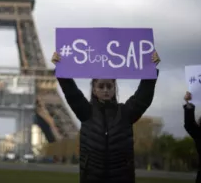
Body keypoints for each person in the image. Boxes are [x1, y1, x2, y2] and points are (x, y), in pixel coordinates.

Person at [51, 50, 160, 183]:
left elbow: (143, 98)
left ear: (114, 88)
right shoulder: (86, 112)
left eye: (109, 86)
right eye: (101, 86)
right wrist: (61, 69)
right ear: (94, 89)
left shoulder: (125, 113)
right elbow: (72, 93)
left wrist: (151, 69)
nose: (105, 90)